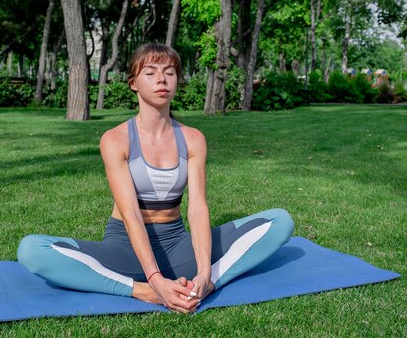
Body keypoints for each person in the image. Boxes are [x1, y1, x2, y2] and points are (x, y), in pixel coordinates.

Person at [17, 43, 294, 314]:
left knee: (280, 221)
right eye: (150, 73)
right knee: (32, 249)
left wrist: (203, 272)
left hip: (177, 246)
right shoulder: (115, 140)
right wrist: (153, 282)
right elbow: (130, 214)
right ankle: (138, 290)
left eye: (169, 72)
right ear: (133, 83)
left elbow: (197, 210)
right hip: (126, 249)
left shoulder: (193, 139)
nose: (161, 79)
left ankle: (203, 287)